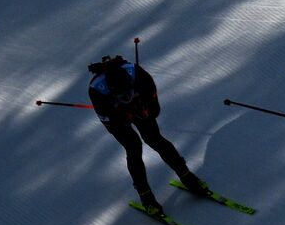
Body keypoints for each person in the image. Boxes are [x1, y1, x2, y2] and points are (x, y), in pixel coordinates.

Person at [88, 55, 208, 216]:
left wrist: (144, 112)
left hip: (138, 105)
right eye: (121, 95)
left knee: (154, 139)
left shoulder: (139, 76)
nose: (126, 97)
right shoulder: (97, 90)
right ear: (112, 91)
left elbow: (154, 109)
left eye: (128, 93)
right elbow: (111, 122)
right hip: (115, 114)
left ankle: (187, 176)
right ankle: (146, 197)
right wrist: (125, 116)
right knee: (133, 146)